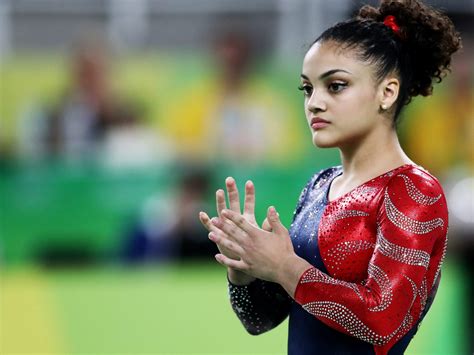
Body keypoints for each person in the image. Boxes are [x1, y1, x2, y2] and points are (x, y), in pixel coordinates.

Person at [198, 0, 461, 354]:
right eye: (307, 89)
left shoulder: (413, 190)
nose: (314, 103)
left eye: (335, 86)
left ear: (388, 92)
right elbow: (260, 320)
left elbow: (382, 321)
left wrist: (285, 264)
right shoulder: (320, 185)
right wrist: (244, 267)